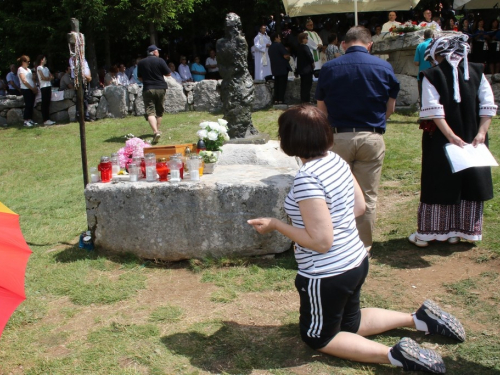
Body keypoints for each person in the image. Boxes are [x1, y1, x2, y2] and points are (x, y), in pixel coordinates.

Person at [248, 105, 465, 374]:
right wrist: (333, 223)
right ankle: (420, 319)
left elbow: (321, 242)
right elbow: (360, 206)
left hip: (327, 273)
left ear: (289, 141)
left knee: (318, 337)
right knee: (350, 323)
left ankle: (396, 355)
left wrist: (276, 224)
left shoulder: (307, 178)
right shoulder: (336, 159)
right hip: (355, 259)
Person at [408, 34, 497, 248]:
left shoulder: (432, 74)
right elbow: (487, 104)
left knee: (441, 179)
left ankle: (434, 232)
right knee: (468, 178)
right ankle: (460, 231)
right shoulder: (478, 71)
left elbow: (434, 111)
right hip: (472, 136)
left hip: (442, 137)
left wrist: (450, 136)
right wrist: (481, 133)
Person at [315, 26, 400, 250]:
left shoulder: (329, 68)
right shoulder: (384, 67)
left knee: (334, 194)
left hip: (338, 137)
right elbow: (389, 108)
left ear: (344, 44)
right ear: (369, 44)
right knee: (367, 196)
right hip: (370, 136)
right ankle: (363, 247)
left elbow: (321, 110)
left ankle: (336, 244)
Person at [137, 44, 171, 144]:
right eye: (158, 51)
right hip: (160, 87)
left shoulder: (141, 62)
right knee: (159, 110)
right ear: (155, 52)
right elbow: (168, 73)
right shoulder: (160, 60)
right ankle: (157, 131)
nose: (159, 52)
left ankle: (155, 131)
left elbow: (139, 77)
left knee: (150, 111)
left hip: (148, 88)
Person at [268, 32, 291, 105]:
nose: (280, 38)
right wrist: (288, 57)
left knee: (277, 84)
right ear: (275, 38)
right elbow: (286, 55)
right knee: (282, 85)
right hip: (282, 67)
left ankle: (276, 99)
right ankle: (281, 99)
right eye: (279, 37)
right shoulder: (279, 45)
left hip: (274, 68)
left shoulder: (270, 47)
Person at [17, 55, 38, 127]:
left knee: (31, 104)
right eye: (27, 62)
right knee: (28, 104)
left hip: (31, 88)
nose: (28, 63)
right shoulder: (20, 69)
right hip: (25, 89)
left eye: (29, 62)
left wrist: (34, 87)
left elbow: (32, 79)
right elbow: (24, 81)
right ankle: (26, 120)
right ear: (23, 62)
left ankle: (30, 119)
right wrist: (31, 88)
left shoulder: (29, 70)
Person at [414, 29, 434, 100]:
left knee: (423, 97)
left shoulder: (420, 46)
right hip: (434, 74)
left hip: (423, 75)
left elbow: (417, 62)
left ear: (424, 36)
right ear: (433, 36)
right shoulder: (435, 44)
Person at [35, 55, 55, 125]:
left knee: (48, 102)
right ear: (41, 60)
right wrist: (48, 78)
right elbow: (42, 77)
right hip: (43, 87)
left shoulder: (46, 68)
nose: (46, 60)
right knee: (44, 103)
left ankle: (48, 118)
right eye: (44, 59)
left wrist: (48, 78)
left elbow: (52, 76)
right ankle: (45, 119)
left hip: (48, 86)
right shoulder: (39, 68)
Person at [296, 32, 315, 103]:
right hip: (307, 69)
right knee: (307, 85)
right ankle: (306, 100)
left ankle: (303, 99)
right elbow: (309, 55)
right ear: (303, 39)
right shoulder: (305, 47)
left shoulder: (299, 47)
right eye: (306, 38)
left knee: (303, 85)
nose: (307, 40)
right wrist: (312, 63)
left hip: (302, 69)